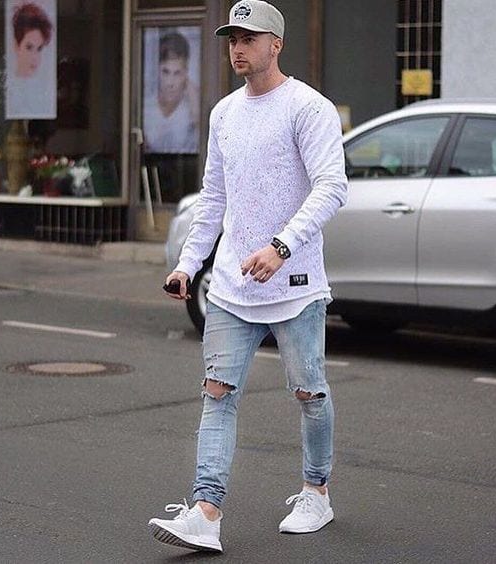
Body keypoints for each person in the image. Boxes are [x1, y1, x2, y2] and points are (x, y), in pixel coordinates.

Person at [148, 0, 348, 553]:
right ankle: (205, 512)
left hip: (296, 284)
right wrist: (188, 263)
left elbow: (332, 186)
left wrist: (282, 246)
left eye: (248, 38)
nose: (237, 48)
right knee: (217, 393)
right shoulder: (223, 113)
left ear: (275, 44)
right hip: (232, 288)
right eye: (232, 39)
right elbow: (213, 197)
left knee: (309, 392)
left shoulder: (308, 107)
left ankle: (317, 492)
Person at [143, 31, 200, 154]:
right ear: (158, 71)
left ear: (185, 73)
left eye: (177, 73)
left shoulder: (192, 107)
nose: (170, 82)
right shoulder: (146, 106)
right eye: (165, 72)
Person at [6, 2, 55, 119]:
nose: (35, 57)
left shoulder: (44, 91)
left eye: (39, 49)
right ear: (16, 45)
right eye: (29, 47)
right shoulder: (10, 87)